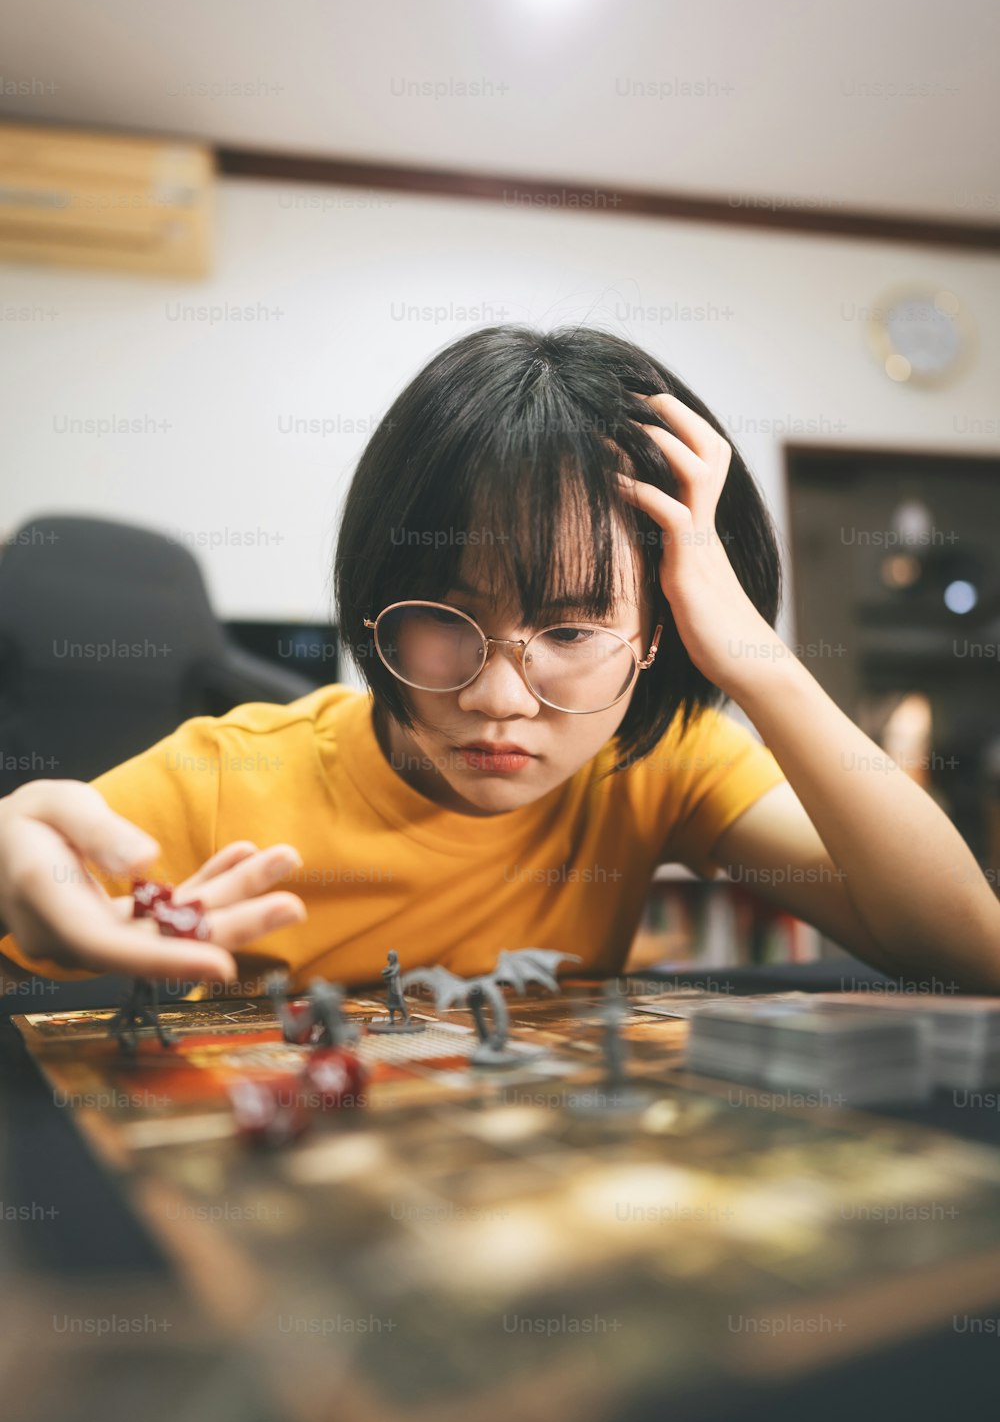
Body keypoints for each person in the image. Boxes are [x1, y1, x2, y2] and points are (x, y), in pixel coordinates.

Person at [1, 325, 998, 994]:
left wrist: (756, 661)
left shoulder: (666, 764)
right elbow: (40, 874)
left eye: (568, 633)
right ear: (371, 600)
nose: (496, 698)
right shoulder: (229, 778)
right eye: (444, 616)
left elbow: (962, 953)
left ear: (657, 635)